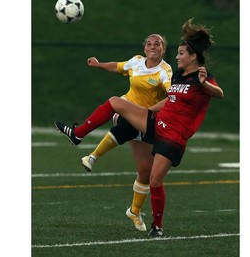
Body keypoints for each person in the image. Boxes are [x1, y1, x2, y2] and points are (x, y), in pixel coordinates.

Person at [54, 18, 224, 237]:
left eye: (181, 53)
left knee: (153, 179)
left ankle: (157, 227)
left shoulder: (199, 77)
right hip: (156, 121)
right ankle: (78, 136)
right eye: (178, 52)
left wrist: (205, 84)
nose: (177, 56)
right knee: (116, 101)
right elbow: (169, 99)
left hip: (173, 135)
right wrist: (144, 112)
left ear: (192, 56)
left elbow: (219, 94)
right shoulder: (179, 75)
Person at [74, 34, 172, 232]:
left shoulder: (165, 71)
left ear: (163, 49)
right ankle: (92, 155)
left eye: (157, 44)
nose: (153, 46)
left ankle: (134, 211)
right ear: (144, 48)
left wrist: (148, 112)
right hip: (125, 112)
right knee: (124, 117)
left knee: (145, 172)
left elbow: (171, 97)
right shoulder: (136, 62)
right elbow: (118, 66)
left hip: (147, 121)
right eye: (149, 44)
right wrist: (99, 64)